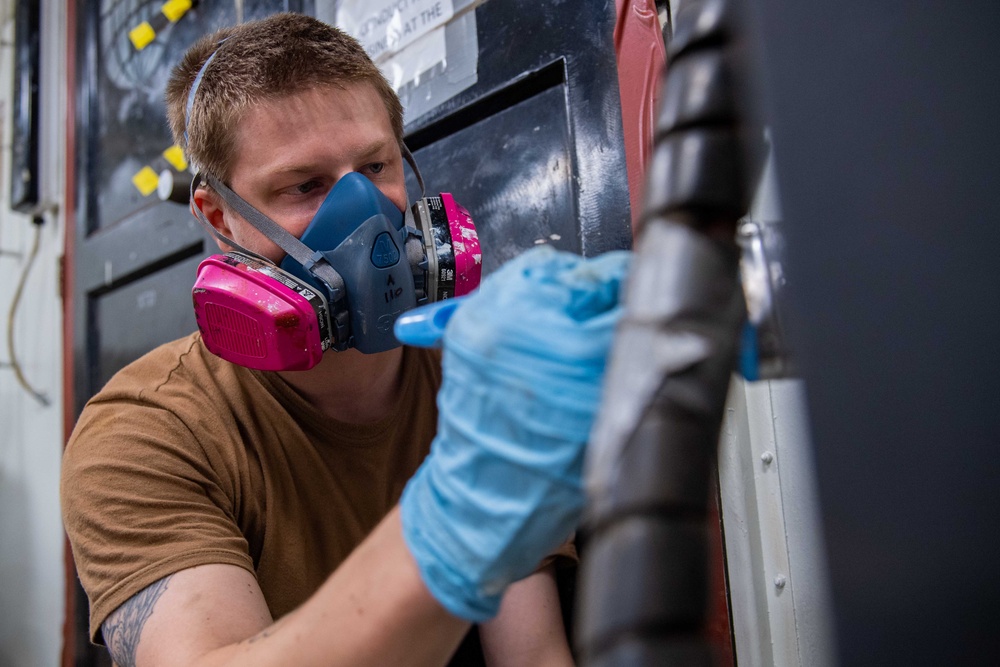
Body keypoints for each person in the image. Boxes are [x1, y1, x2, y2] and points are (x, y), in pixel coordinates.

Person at [61, 12, 630, 667]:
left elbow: (532, 657)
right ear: (219, 217)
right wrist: (458, 517)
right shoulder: (146, 431)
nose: (362, 210)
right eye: (305, 185)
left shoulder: (474, 378)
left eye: (376, 166)